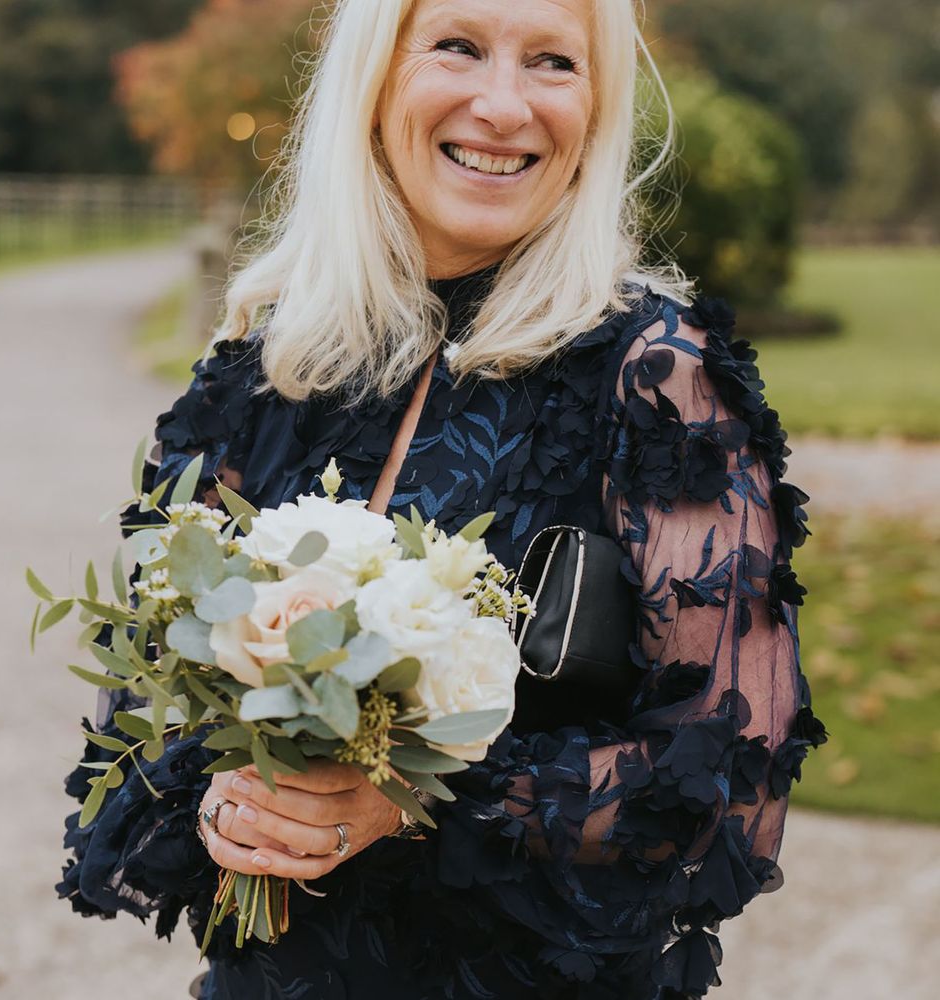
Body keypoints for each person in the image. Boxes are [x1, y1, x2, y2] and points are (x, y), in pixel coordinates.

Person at [58, 0, 828, 997]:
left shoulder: (654, 378)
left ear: (595, 111)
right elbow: (147, 701)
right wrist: (230, 805)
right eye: (458, 46)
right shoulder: (263, 368)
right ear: (376, 82)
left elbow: (730, 774)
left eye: (552, 61)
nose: (501, 105)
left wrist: (408, 797)